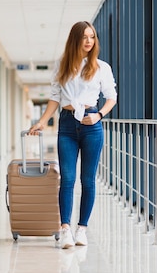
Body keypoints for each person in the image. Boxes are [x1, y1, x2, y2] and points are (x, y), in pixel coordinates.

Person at [28, 21, 116, 249]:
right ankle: (65, 229)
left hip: (91, 123)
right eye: (85, 37)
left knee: (88, 180)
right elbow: (55, 98)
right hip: (67, 124)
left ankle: (82, 229)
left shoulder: (101, 68)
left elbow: (111, 98)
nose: (89, 41)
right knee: (67, 178)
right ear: (75, 39)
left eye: (92, 37)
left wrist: (99, 116)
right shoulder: (62, 65)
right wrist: (40, 121)